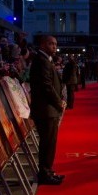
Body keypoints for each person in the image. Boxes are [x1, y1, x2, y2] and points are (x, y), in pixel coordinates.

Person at [29, 35, 66, 185]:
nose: (54, 47)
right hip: (46, 110)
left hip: (48, 109)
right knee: (47, 143)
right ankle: (45, 173)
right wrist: (58, 102)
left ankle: (48, 171)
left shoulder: (45, 60)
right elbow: (46, 86)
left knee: (49, 143)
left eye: (55, 44)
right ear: (43, 45)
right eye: (51, 44)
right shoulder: (41, 61)